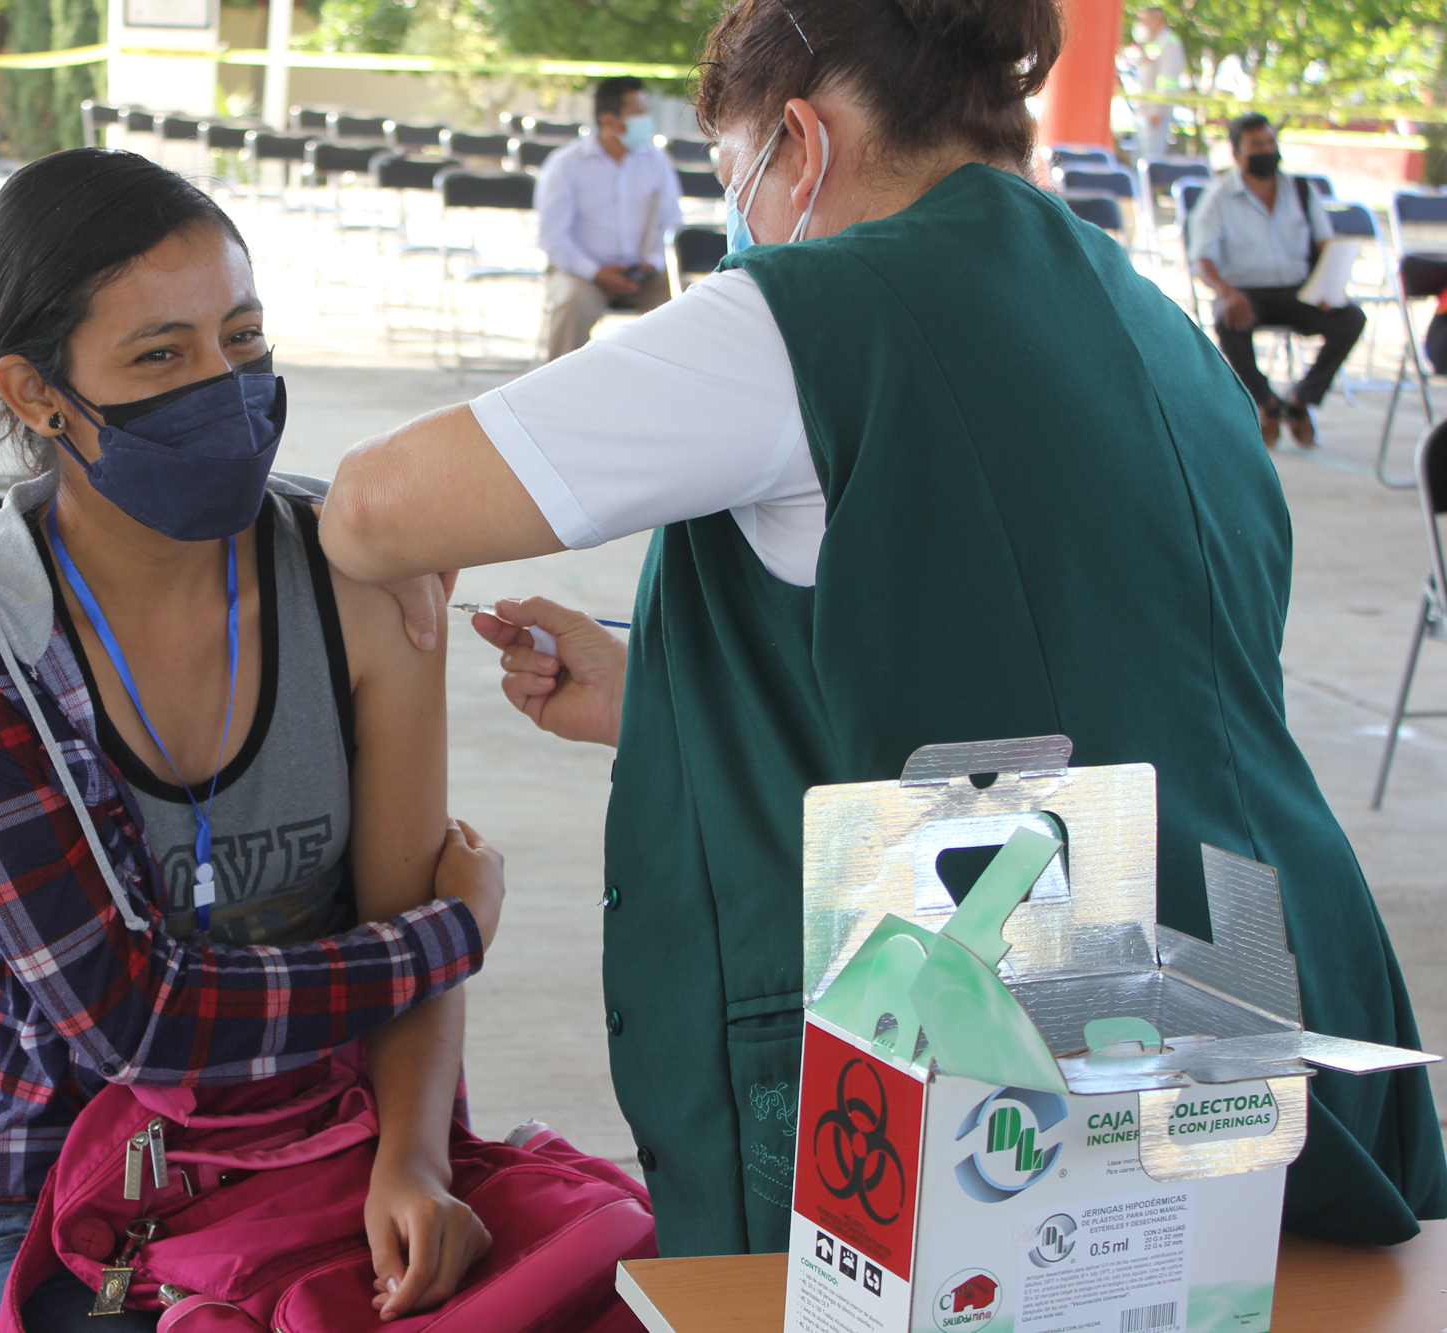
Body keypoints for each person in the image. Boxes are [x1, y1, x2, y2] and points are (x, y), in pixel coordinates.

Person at [316, 0, 1447, 1257]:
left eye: (732, 169)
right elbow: (1044, 660)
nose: (738, 214)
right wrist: (671, 695)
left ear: (798, 143)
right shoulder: (1156, 331)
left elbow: (371, 508)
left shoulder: (808, 314)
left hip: (1028, 1049)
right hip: (1269, 973)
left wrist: (408, 553)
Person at [0, 148, 510, 1332]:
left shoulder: (358, 574)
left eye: (242, 338)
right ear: (33, 393)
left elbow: (390, 914)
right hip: (41, 1199)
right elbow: (133, 1022)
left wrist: (415, 1160)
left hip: (328, 1152)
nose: (221, 386)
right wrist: (452, 931)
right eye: (160, 357)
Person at [1190, 112, 1365, 449]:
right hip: (1246, 293)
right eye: (1257, 144)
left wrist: (1329, 287)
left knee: (1351, 318)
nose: (1267, 150)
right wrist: (1226, 292)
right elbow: (1202, 259)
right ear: (1237, 154)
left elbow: (1326, 246)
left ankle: (1301, 400)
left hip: (1299, 292)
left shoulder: (1301, 191)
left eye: (1271, 142)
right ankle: (1266, 402)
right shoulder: (1218, 199)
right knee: (1227, 320)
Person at [533, 76, 682, 360]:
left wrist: (652, 263)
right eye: (637, 114)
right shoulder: (565, 164)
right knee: (571, 301)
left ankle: (671, 391)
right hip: (583, 274)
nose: (646, 120)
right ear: (609, 120)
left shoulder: (656, 161)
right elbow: (553, 238)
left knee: (684, 301)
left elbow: (672, 222)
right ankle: (560, 394)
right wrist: (595, 272)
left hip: (645, 273)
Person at [1128, 5, 1184, 161]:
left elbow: (1167, 79)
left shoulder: (1168, 42)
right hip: (1144, 110)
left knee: (1151, 158)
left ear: (1155, 20)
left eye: (1144, 20)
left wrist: (1156, 109)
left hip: (1155, 114)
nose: (1140, 24)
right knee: (1139, 158)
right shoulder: (1151, 42)